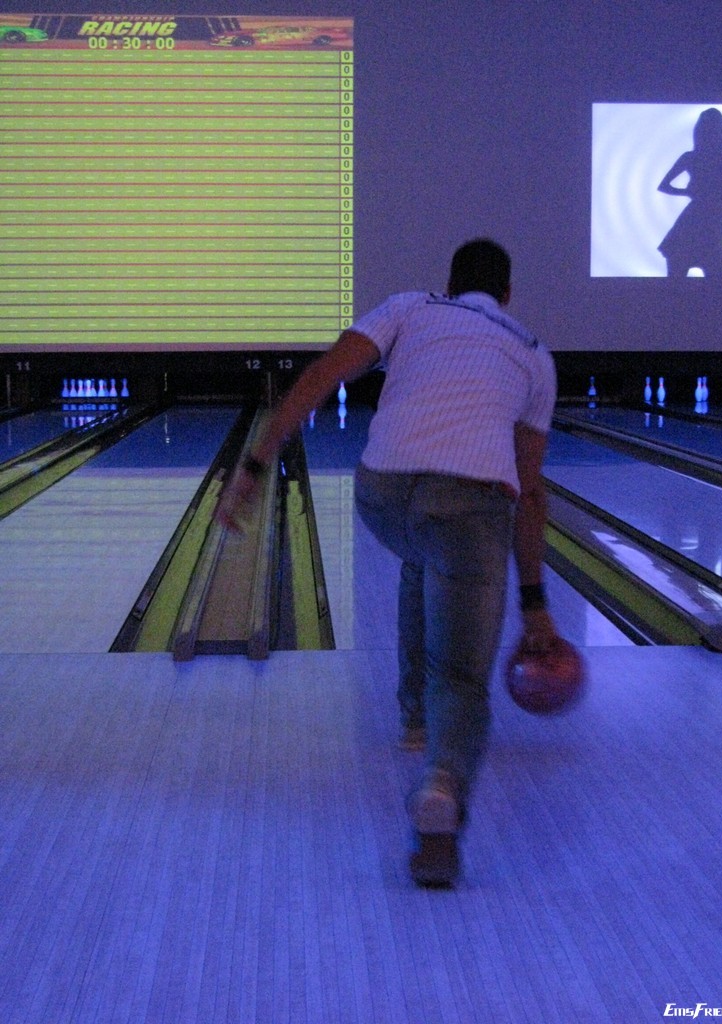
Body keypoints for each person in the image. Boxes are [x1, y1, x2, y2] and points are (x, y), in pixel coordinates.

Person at [217, 238, 559, 887]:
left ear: (449, 285)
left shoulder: (409, 306)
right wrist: (535, 603)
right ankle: (442, 787)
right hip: (470, 507)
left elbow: (320, 378)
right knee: (463, 677)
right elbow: (530, 490)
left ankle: (414, 719)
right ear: (508, 294)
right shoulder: (534, 353)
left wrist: (255, 467)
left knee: (422, 549)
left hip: (383, 491)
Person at [657, 107, 722, 278]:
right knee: (677, 288)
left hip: (706, 236)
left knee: (678, 288)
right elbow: (663, 186)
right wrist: (688, 192)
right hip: (690, 234)